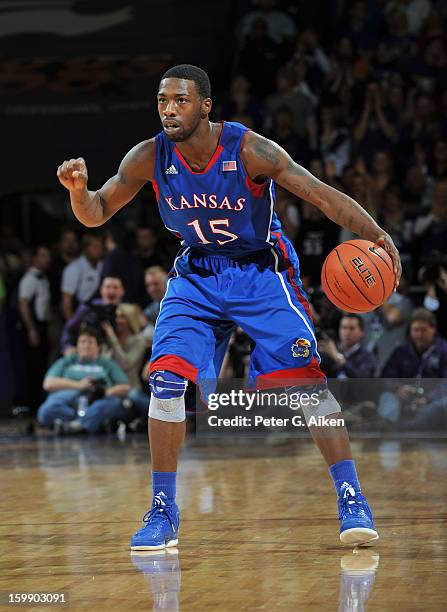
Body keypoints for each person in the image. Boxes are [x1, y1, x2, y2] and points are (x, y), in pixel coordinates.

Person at [57, 64, 401, 551]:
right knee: (165, 381)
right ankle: (163, 509)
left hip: (261, 273)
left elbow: (321, 195)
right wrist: (78, 193)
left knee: (306, 386)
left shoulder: (251, 150)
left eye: (179, 100)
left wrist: (378, 235)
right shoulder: (148, 157)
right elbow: (96, 212)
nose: (169, 110)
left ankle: (351, 497)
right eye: (162, 101)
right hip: (197, 274)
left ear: (205, 106)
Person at [37, 327, 130, 434]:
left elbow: (125, 387)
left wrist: (107, 392)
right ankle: (84, 424)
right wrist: (79, 385)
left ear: (98, 347)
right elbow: (48, 383)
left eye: (90, 342)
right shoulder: (68, 361)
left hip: (98, 400)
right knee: (47, 410)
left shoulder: (106, 363)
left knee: (112, 404)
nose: (86, 345)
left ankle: (73, 426)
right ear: (77, 346)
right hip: (71, 400)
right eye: (82, 342)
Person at [378, 308, 447, 425]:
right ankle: (387, 434)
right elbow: (387, 376)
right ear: (410, 331)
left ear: (433, 329)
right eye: (416, 330)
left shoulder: (444, 350)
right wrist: (398, 388)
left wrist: (428, 398)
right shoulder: (400, 352)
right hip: (404, 398)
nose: (419, 335)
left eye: (423, 330)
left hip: (432, 400)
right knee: (387, 398)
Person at [18, 245, 52, 410]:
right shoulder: (30, 278)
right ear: (35, 259)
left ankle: (37, 402)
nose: (47, 259)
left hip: (42, 325)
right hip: (33, 326)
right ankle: (29, 404)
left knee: (40, 364)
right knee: (31, 365)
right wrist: (31, 328)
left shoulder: (43, 278)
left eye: (48, 256)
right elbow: (23, 304)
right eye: (43, 255)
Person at [102, 303, 148, 415]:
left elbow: (126, 364)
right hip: (112, 388)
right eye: (117, 316)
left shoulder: (139, 340)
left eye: (122, 317)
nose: (118, 320)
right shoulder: (108, 341)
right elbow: (103, 364)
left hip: (131, 388)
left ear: (130, 319)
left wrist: (113, 340)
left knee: (135, 397)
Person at [61, 275, 125, 354]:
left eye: (115, 287)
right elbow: (69, 329)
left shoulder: (128, 311)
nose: (111, 291)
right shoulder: (88, 307)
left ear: (122, 291)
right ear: (101, 290)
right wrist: (67, 347)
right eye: (108, 287)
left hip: (117, 354)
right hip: (87, 351)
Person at [61, 233, 104, 321]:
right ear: (86, 249)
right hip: (80, 315)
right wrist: (71, 326)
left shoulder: (103, 266)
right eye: (95, 248)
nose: (99, 251)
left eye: (101, 248)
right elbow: (66, 302)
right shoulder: (73, 268)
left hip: (100, 316)